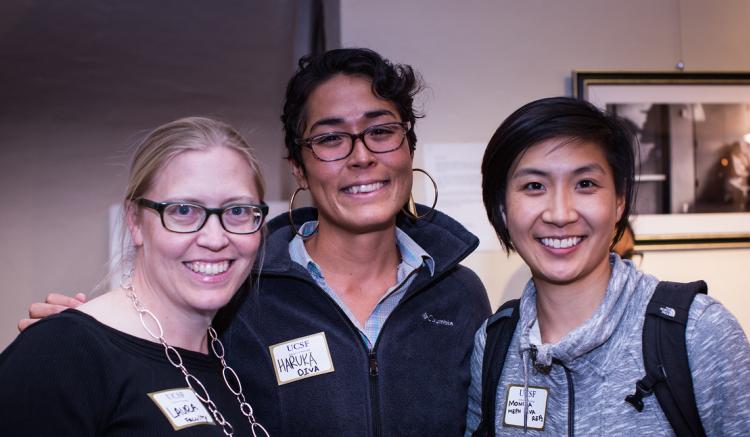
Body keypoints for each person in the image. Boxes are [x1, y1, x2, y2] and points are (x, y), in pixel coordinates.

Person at [20, 49, 492, 436]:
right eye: (330, 139)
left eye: (382, 131)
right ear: (298, 167)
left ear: (409, 146)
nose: (361, 156)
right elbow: (147, 348)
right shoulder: (239, 293)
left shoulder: (460, 294)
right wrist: (78, 342)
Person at [465, 97, 750, 435]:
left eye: (585, 184)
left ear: (619, 202)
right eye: (534, 186)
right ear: (501, 209)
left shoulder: (697, 331)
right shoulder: (495, 342)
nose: (560, 214)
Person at [2, 117, 271, 436]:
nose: (214, 239)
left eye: (238, 211)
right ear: (134, 221)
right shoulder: (63, 351)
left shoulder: (229, 359)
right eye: (183, 210)